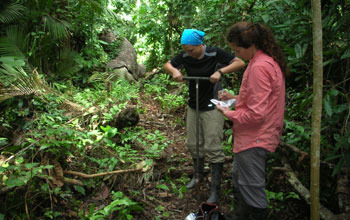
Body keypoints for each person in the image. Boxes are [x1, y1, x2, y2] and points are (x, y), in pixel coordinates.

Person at [164, 29, 245, 204]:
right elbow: (168, 64)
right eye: (186, 50)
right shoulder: (186, 56)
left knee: (213, 147)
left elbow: (240, 62)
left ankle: (215, 189)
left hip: (213, 106)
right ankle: (198, 175)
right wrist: (174, 71)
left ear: (200, 45)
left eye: (191, 50)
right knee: (193, 143)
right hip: (194, 105)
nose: (188, 53)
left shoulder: (214, 53)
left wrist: (220, 72)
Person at [216, 22, 288, 219]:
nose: (237, 54)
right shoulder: (263, 62)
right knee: (241, 180)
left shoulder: (259, 67)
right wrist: (235, 98)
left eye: (238, 50)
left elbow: (257, 114)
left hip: (255, 137)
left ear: (250, 45)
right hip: (254, 136)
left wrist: (227, 113)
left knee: (251, 188)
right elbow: (260, 100)